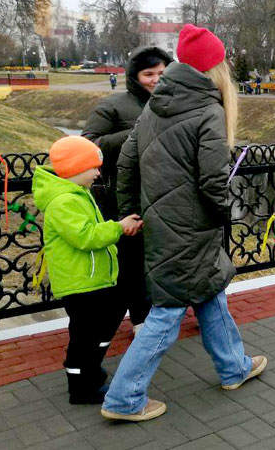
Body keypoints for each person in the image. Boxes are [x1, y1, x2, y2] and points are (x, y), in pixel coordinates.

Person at [101, 25, 266, 422]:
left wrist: (132, 213)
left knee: (210, 291)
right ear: (215, 69)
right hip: (191, 228)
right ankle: (123, 399)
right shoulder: (209, 109)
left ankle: (233, 367)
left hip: (164, 223)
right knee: (167, 311)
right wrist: (226, 214)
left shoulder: (155, 104)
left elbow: (126, 163)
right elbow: (213, 181)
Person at [32, 136, 142, 405]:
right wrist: (118, 227)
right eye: (93, 167)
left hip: (91, 280)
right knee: (84, 337)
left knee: (96, 331)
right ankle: (81, 389)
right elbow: (85, 236)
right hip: (80, 284)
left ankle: (91, 371)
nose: (97, 173)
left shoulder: (77, 194)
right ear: (74, 168)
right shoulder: (63, 202)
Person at [82, 46, 171, 335]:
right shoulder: (114, 105)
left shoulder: (174, 101)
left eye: (162, 72)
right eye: (149, 74)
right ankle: (139, 320)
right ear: (134, 76)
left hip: (163, 194)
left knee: (159, 258)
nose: (157, 79)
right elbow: (89, 146)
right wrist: (137, 131)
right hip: (123, 196)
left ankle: (164, 311)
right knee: (132, 262)